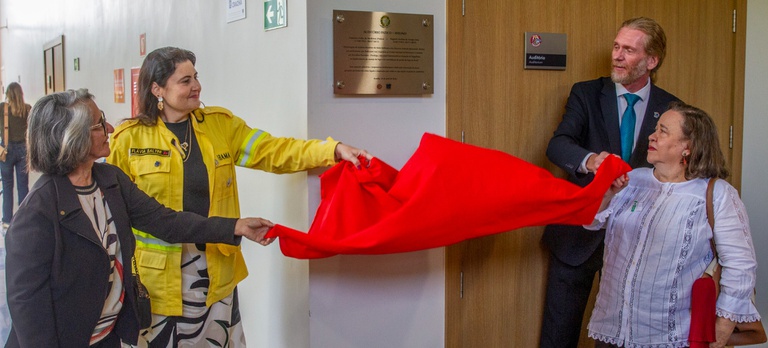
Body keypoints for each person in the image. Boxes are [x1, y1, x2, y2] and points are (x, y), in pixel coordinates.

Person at [106, 46, 372, 347]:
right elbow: (114, 212)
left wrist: (332, 150)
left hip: (216, 271)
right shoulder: (129, 139)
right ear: (157, 88)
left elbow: (273, 150)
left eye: (196, 77)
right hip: (158, 282)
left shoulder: (220, 125)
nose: (196, 86)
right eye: (185, 80)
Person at [4, 89, 276, 347]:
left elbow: (165, 222)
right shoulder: (36, 215)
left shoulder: (110, 181)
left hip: (108, 338)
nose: (110, 129)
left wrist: (235, 227)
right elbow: (29, 312)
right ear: (72, 138)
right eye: (100, 124)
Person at [540, 17, 681, 347]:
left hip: (638, 240)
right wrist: (590, 161)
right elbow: (557, 145)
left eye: (628, 50)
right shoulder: (587, 93)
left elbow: (677, 172)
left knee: (623, 336)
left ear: (651, 60)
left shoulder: (673, 108)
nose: (617, 55)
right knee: (559, 334)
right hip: (578, 236)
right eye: (616, 46)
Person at [585, 101, 759, 347]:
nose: (651, 136)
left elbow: (741, 267)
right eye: (655, 128)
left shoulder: (717, 194)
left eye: (662, 131)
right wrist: (607, 194)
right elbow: (590, 224)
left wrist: (718, 335)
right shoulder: (633, 180)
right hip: (613, 327)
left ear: (687, 147)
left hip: (671, 336)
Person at [0, 82, 31, 231]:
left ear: (8, 94)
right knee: (23, 185)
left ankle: (7, 220)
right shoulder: (27, 109)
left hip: (6, 150)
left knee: (7, 186)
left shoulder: (2, 109)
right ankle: (24, 218)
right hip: (24, 149)